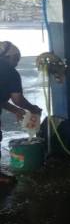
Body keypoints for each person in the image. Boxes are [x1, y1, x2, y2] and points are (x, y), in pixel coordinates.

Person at [0, 41, 42, 183]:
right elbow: (17, 99)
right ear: (8, 57)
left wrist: (15, 110)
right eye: (16, 58)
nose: (17, 63)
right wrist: (32, 109)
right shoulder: (10, 71)